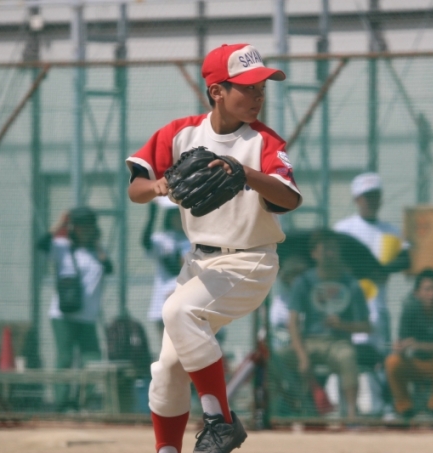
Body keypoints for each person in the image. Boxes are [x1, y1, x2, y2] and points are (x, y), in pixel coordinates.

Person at [126, 43, 301, 453]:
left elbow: (290, 198)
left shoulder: (263, 141)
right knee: (167, 369)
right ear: (217, 91)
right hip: (199, 264)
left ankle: (220, 422)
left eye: (261, 87)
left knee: (177, 310)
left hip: (250, 260)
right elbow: (136, 188)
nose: (258, 95)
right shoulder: (181, 133)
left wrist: (245, 173)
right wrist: (157, 186)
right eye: (248, 87)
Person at [286, 229, 371, 420]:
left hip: (339, 343)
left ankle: (351, 414)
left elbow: (367, 326)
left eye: (334, 249)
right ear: (314, 253)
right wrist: (302, 356)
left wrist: (343, 325)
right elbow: (293, 323)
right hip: (309, 342)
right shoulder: (304, 282)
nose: (331, 253)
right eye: (325, 249)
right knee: (276, 358)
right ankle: (288, 408)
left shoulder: (351, 283)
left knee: (348, 357)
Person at [37, 206, 113, 411]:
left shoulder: (97, 252)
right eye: (80, 226)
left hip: (87, 317)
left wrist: (96, 242)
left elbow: (109, 267)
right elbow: (41, 244)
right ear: (73, 228)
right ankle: (61, 403)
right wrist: (60, 224)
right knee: (65, 357)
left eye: (89, 226)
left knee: (92, 358)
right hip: (63, 315)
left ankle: (85, 400)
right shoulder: (62, 247)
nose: (85, 230)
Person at [333, 172, 410, 364]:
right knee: (348, 353)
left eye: (375, 196)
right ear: (357, 199)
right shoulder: (343, 229)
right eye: (367, 197)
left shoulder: (391, 230)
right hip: (348, 302)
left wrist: (383, 271)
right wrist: (365, 272)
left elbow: (406, 259)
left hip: (378, 301)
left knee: (377, 355)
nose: (371, 201)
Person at [385, 269, 433, 417]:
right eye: (427, 290)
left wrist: (419, 345)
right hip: (419, 364)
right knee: (392, 362)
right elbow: (403, 340)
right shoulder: (409, 310)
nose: (432, 294)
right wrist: (400, 348)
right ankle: (405, 409)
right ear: (417, 293)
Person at [142, 197, 190, 356]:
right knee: (168, 352)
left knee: (185, 351)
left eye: (180, 214)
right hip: (162, 301)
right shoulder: (162, 238)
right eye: (174, 214)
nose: (178, 218)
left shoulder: (192, 240)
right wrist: (152, 214)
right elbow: (146, 243)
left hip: (185, 303)